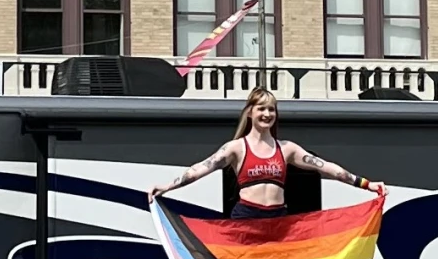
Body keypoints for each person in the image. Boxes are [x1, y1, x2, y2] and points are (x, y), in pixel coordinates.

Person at [148, 87, 384, 216]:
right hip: (246, 219)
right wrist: (168, 186)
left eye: (271, 109)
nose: (267, 114)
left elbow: (328, 168)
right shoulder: (236, 148)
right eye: (262, 108)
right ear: (250, 112)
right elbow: (200, 169)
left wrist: (366, 184)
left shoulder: (287, 149)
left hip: (279, 220)